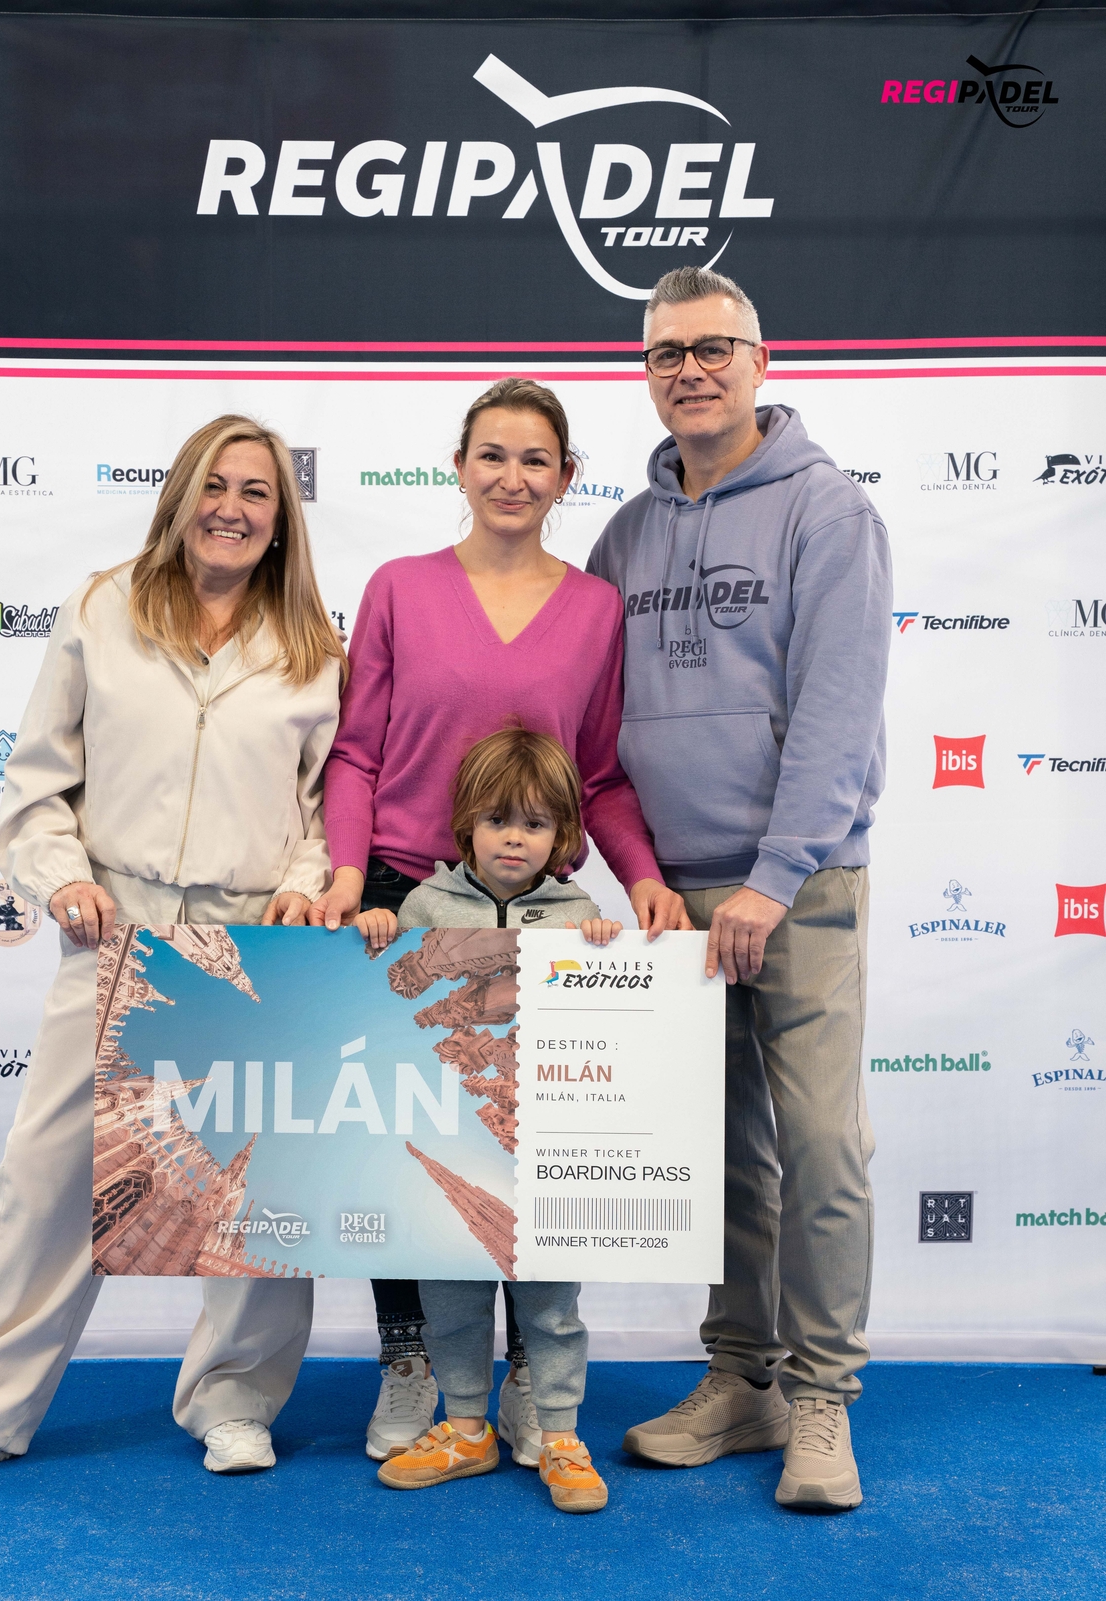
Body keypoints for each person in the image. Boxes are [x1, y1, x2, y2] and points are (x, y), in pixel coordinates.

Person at [0, 414, 345, 1487]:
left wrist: (300, 882)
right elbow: (37, 783)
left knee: (250, 1187)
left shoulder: (314, 647)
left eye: (257, 493)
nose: (232, 508)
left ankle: (235, 1399)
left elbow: (327, 806)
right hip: (116, 928)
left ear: (281, 521)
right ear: (179, 498)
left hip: (250, 941)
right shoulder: (102, 607)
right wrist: (62, 877)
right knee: (48, 1183)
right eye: (214, 485)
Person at [310, 378, 687, 1464]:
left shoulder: (597, 609)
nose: (512, 477)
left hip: (542, 918)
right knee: (411, 1150)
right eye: (492, 454)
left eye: (535, 459)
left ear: (566, 477)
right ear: (459, 466)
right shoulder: (399, 586)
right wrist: (349, 876)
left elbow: (600, 774)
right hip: (405, 898)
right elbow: (356, 753)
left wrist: (643, 877)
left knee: (532, 1153)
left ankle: (528, 1378)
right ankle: (410, 1356)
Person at [586, 266, 892, 1511]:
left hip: (798, 886)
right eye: (667, 353)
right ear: (647, 374)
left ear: (760, 362)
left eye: (713, 347)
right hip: (675, 899)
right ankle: (741, 1376)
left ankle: (820, 1395)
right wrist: (642, 876)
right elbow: (598, 729)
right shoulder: (624, 534)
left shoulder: (827, 510)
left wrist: (773, 876)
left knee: (819, 1146)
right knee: (715, 1156)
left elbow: (836, 711)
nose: (691, 371)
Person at [359, 727, 618, 1513]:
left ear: (562, 835)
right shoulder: (425, 904)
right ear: (465, 824)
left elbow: (608, 1012)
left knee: (551, 1299)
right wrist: (381, 937)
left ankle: (561, 1432)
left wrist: (606, 949)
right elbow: (394, 993)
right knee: (450, 1293)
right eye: (498, 819)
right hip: (452, 1141)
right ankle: (466, 1425)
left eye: (535, 823)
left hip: (546, 1148)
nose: (514, 837)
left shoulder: (579, 911)